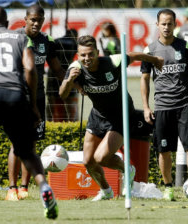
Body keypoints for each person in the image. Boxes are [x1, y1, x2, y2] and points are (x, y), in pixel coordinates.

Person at [0, 6, 58, 219]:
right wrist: (33, 105)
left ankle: (16, 188)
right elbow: (31, 69)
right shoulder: (21, 39)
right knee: (25, 148)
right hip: (17, 96)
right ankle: (43, 186)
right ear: (7, 24)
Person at [59, 35, 163, 201]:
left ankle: (127, 169)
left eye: (90, 54)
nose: (87, 58)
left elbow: (135, 55)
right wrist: (70, 81)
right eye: (83, 55)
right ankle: (106, 191)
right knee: (88, 162)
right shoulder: (75, 68)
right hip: (98, 116)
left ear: (97, 52)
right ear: (78, 56)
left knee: (101, 158)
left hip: (120, 116)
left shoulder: (113, 62)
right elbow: (62, 94)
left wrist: (155, 60)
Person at [6, 4, 65, 201]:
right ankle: (11, 189)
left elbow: (57, 69)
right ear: (25, 19)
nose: (36, 23)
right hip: (17, 98)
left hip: (38, 100)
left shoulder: (47, 41)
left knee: (30, 144)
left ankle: (24, 188)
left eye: (39, 20)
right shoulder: (14, 38)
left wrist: (74, 82)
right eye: (33, 19)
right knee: (16, 143)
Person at [140, 9, 188, 201]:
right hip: (162, 107)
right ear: (157, 25)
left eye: (170, 23)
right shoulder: (149, 50)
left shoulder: (185, 46)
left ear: (175, 24)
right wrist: (145, 107)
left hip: (185, 105)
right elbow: (144, 80)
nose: (166, 27)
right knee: (164, 150)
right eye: (163, 23)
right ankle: (168, 187)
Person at [46, 29, 79, 122]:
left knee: (51, 101)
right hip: (68, 72)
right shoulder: (74, 44)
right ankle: (72, 123)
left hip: (53, 72)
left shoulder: (56, 41)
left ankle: (48, 121)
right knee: (69, 101)